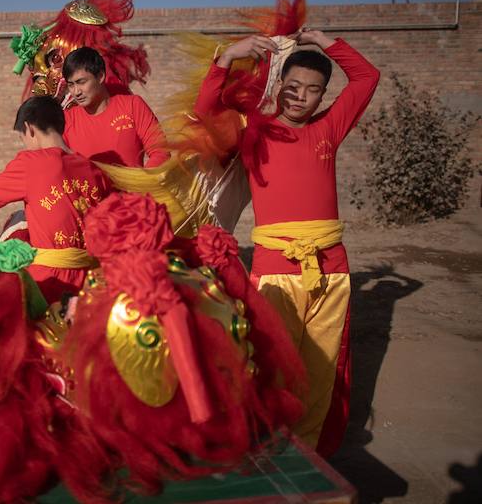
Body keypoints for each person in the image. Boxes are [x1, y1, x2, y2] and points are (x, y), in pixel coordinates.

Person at [194, 28, 380, 454]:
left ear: (323, 95)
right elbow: (206, 112)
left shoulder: (329, 127)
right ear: (279, 84)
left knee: (321, 370)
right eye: (293, 86)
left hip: (331, 271)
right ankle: (269, 449)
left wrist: (323, 40)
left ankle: (308, 455)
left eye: (313, 90)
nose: (301, 97)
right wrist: (228, 57)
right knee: (272, 366)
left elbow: (367, 77)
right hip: (275, 271)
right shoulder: (253, 132)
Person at [0, 95, 112, 302]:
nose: (25, 144)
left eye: (22, 138)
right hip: (91, 284)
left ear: (30, 128)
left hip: (47, 283)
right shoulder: (93, 170)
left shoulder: (31, 163)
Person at [61, 47, 169, 169]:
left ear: (100, 76)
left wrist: (143, 180)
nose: (76, 92)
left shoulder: (133, 105)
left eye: (81, 82)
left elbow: (161, 152)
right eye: (71, 85)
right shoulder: (66, 120)